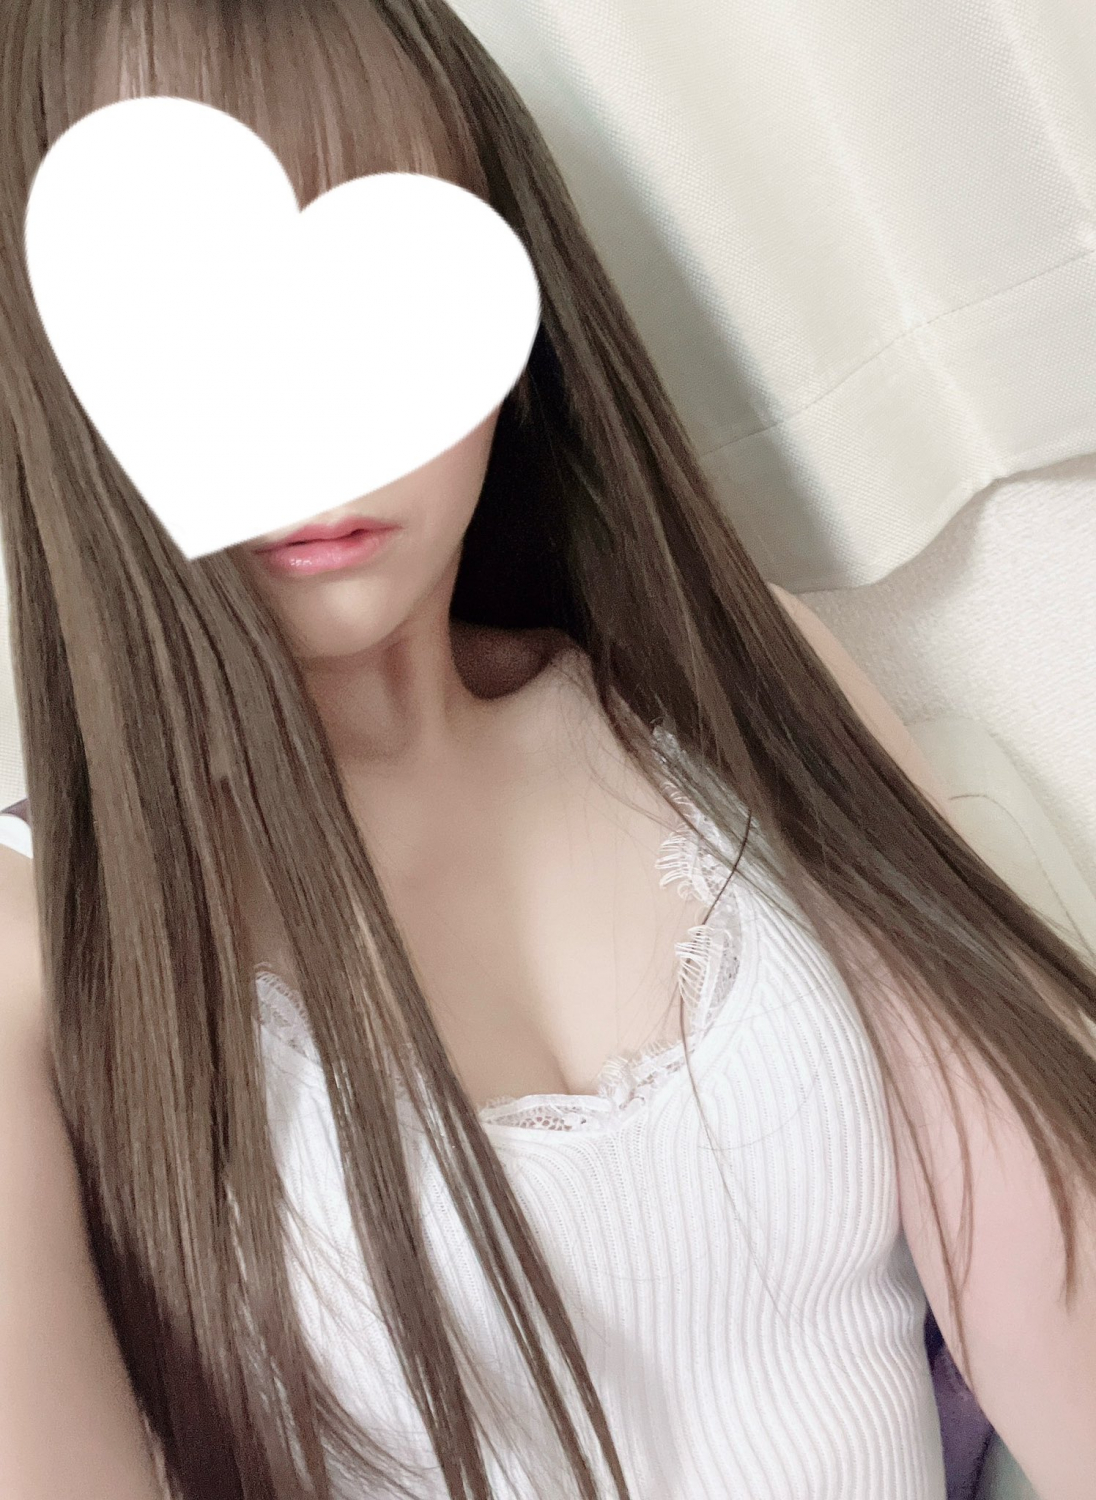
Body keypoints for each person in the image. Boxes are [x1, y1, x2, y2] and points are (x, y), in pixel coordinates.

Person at [0, 2, 1092, 1498]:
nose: (316, 423)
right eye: (188, 326)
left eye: (380, 297)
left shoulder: (722, 694)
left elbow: (1049, 1279)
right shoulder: (39, 948)